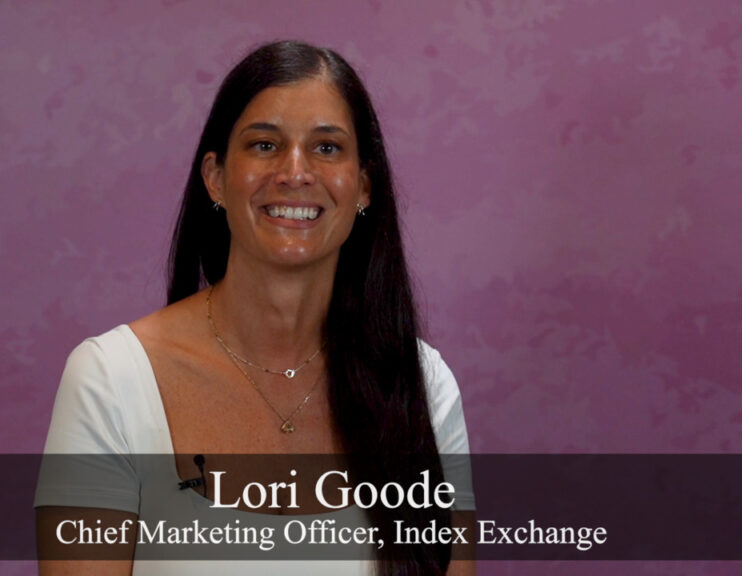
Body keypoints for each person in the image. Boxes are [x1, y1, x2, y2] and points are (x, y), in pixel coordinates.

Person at [35, 40, 474, 575]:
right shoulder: (110, 381)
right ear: (215, 177)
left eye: (327, 147)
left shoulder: (425, 387)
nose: (295, 172)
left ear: (364, 186)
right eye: (265, 144)